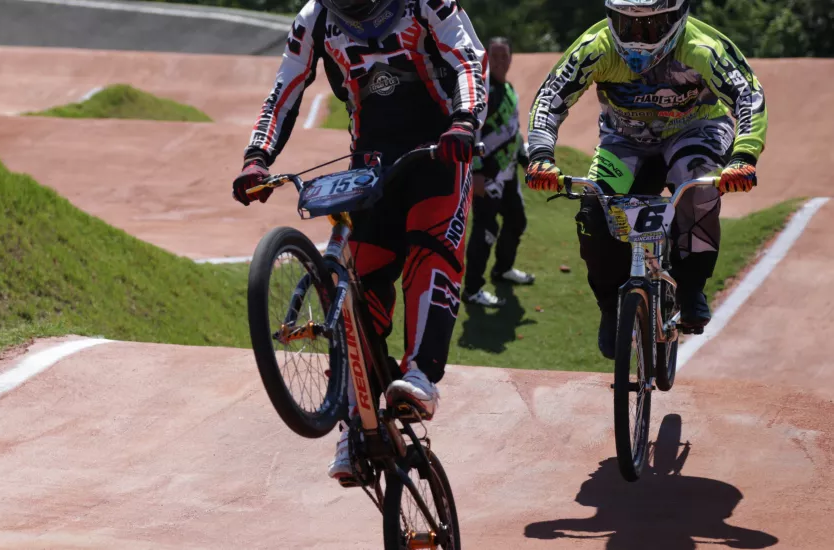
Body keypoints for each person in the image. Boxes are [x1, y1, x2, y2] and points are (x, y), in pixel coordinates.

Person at [231, 0, 487, 484]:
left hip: (440, 153)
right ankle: (354, 417)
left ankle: (418, 378)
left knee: (430, 256)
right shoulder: (315, 19)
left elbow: (467, 58)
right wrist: (256, 158)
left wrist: (465, 121)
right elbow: (283, 91)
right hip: (370, 165)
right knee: (355, 288)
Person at [524, 0, 766, 359]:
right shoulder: (597, 46)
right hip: (625, 141)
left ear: (677, 19)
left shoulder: (704, 47)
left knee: (695, 190)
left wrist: (743, 157)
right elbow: (551, 96)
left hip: (695, 131)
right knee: (594, 212)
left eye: (650, 27)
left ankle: (691, 287)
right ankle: (611, 308)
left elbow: (748, 94)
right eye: (626, 26)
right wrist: (541, 157)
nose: (637, 39)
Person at [462, 36, 535, 308]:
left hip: (507, 175)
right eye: (495, 56)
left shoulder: (510, 91)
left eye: (505, 56)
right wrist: (476, 172)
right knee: (485, 230)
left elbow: (514, 132)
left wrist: (525, 159)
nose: (500, 61)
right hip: (487, 176)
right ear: (487, 59)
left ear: (511, 58)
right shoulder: (482, 91)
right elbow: (470, 132)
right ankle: (472, 289)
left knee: (516, 221)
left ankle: (502, 270)